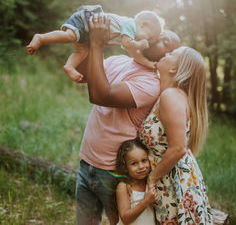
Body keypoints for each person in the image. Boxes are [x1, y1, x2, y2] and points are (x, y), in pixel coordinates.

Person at [74, 15, 180, 225]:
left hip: (114, 173)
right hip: (87, 163)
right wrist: (87, 37)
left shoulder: (150, 84)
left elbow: (99, 95)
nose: (156, 36)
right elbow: (82, 73)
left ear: (166, 56)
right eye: (158, 33)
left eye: (164, 40)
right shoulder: (119, 61)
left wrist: (97, 44)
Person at [139, 46, 213, 224]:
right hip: (171, 179)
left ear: (174, 68)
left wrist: (152, 177)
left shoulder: (171, 96)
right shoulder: (170, 95)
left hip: (171, 182)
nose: (165, 54)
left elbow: (179, 148)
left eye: (171, 54)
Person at [26, 5, 163, 82]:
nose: (147, 41)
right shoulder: (130, 24)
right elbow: (128, 45)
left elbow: (132, 53)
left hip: (89, 35)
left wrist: (147, 63)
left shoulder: (130, 34)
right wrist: (140, 45)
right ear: (144, 25)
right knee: (69, 36)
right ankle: (41, 38)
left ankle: (69, 67)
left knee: (82, 51)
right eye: (149, 37)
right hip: (86, 20)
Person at [115, 139, 157, 225]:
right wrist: (146, 201)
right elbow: (125, 219)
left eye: (144, 160)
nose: (141, 166)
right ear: (125, 166)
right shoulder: (124, 186)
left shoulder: (150, 183)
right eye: (134, 163)